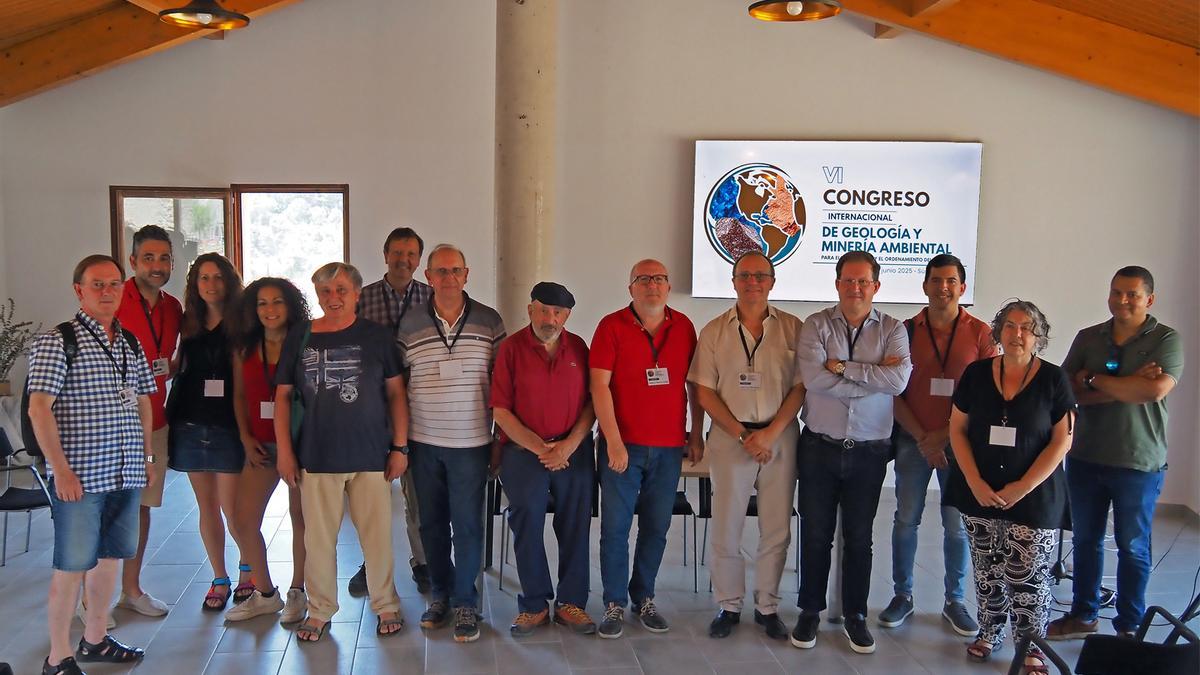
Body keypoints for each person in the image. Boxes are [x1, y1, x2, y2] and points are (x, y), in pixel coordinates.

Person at [28, 255, 155, 675]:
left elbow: (142, 402)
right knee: (71, 565)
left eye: (114, 284)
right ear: (78, 290)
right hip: (79, 478)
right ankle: (58, 656)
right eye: (97, 284)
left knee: (110, 560)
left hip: (125, 470)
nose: (107, 292)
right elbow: (39, 409)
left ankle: (96, 639)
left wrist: (147, 456)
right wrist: (59, 469)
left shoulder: (130, 342)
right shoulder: (57, 341)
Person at [275, 262, 407, 642]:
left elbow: (397, 393)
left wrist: (400, 445)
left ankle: (385, 604)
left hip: (370, 453)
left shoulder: (377, 337)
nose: (333, 298)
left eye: (341, 291)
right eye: (326, 291)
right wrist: (286, 452)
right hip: (316, 455)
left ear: (357, 294)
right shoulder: (300, 336)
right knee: (318, 537)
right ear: (317, 294)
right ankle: (320, 610)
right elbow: (283, 396)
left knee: (376, 536)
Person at [1048, 267, 1182, 640]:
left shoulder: (1166, 340)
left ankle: (1129, 628)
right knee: (1084, 541)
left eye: (1132, 295)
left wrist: (1092, 379)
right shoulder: (1089, 337)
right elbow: (1065, 392)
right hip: (1086, 457)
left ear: (1149, 299)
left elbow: (1153, 392)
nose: (1122, 300)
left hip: (1138, 461)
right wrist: (1126, 385)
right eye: (1116, 292)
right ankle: (1083, 615)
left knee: (1133, 546)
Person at [944, 300, 1075, 675]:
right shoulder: (976, 373)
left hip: (1035, 496)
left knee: (1029, 574)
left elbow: (1061, 440)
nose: (1017, 334)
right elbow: (957, 429)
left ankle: (1032, 647)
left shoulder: (1053, 379)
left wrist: (1023, 486)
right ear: (998, 331)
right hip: (980, 490)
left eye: (1027, 327)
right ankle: (989, 632)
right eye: (1010, 326)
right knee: (987, 569)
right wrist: (973, 481)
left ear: (1038, 336)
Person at [791, 250, 911, 655]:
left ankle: (856, 616)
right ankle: (809, 611)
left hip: (870, 451)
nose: (855, 288)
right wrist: (870, 376)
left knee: (860, 538)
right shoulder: (816, 324)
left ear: (876, 286)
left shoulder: (893, 328)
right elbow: (813, 379)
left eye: (864, 281)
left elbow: (897, 381)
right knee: (815, 534)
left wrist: (842, 367)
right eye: (848, 280)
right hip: (819, 447)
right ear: (837, 283)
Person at [688, 252, 805, 640]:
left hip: (780, 437)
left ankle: (768, 606)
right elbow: (703, 391)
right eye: (745, 275)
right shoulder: (714, 331)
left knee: (776, 527)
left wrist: (769, 435)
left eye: (760, 275)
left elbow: (800, 388)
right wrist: (743, 435)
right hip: (729, 438)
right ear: (733, 281)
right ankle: (728, 605)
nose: (752, 281)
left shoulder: (793, 329)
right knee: (727, 525)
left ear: (772, 281)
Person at [881, 254, 996, 635]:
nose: (943, 287)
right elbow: (892, 390)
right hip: (913, 441)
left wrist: (943, 436)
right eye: (936, 280)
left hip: (961, 444)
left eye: (951, 281)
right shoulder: (905, 331)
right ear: (925, 285)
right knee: (905, 520)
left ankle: (955, 601)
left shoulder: (981, 333)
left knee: (956, 525)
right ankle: (903, 595)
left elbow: (986, 395)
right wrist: (922, 438)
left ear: (962, 288)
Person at [398, 244, 506, 643]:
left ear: (467, 274)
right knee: (431, 525)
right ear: (428, 277)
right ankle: (440, 596)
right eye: (440, 271)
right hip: (423, 442)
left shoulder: (489, 321)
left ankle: (467, 604)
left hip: (472, 442)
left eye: (455, 270)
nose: (448, 278)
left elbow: (504, 385)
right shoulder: (409, 324)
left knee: (467, 526)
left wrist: (499, 440)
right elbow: (397, 386)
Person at [590, 259, 703, 639]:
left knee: (656, 527)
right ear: (631, 287)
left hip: (669, 448)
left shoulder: (684, 327)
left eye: (659, 279)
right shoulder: (610, 326)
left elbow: (695, 385)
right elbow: (599, 387)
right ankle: (614, 603)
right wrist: (614, 441)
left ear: (668, 287)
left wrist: (697, 431)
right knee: (616, 529)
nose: (652, 285)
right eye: (643, 279)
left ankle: (645, 597)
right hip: (623, 448)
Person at [491, 282, 598, 637]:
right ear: (530, 309)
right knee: (527, 522)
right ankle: (534, 604)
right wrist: (543, 449)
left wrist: (567, 446)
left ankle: (571, 603)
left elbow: (591, 405)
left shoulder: (579, 348)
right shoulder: (510, 349)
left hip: (574, 453)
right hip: (524, 454)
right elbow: (502, 410)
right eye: (544, 310)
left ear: (567, 316)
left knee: (575, 524)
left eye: (558, 313)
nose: (550, 318)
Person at [224, 278, 311, 623]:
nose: (270, 309)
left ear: (289, 305)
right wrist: (245, 438)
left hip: (301, 445)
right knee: (243, 519)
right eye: (262, 303)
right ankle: (264, 593)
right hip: (261, 445)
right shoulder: (245, 347)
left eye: (277, 302)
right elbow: (240, 396)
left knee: (301, 518)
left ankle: (298, 591)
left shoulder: (306, 343)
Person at [353, 226, 434, 595]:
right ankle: (370, 563)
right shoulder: (361, 298)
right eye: (397, 253)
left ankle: (423, 562)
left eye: (411, 254)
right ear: (385, 255)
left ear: (419, 260)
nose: (404, 260)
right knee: (369, 494)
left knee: (416, 495)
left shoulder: (433, 298)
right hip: (370, 410)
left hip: (418, 409)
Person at [165, 253, 247, 612]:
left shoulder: (244, 323)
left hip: (230, 423)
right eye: (203, 278)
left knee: (234, 508)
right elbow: (178, 365)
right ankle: (219, 577)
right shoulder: (188, 323)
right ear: (195, 285)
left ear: (229, 282)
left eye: (217, 277)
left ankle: (248, 571)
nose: (211, 285)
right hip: (190, 421)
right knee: (207, 506)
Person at [108, 226, 181, 621]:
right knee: (106, 506)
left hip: (154, 421)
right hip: (111, 424)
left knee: (142, 507)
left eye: (164, 258)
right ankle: (90, 597)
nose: (157, 265)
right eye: (148, 258)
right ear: (133, 261)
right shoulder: (114, 299)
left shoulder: (173, 308)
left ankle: (131, 589)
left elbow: (169, 358)